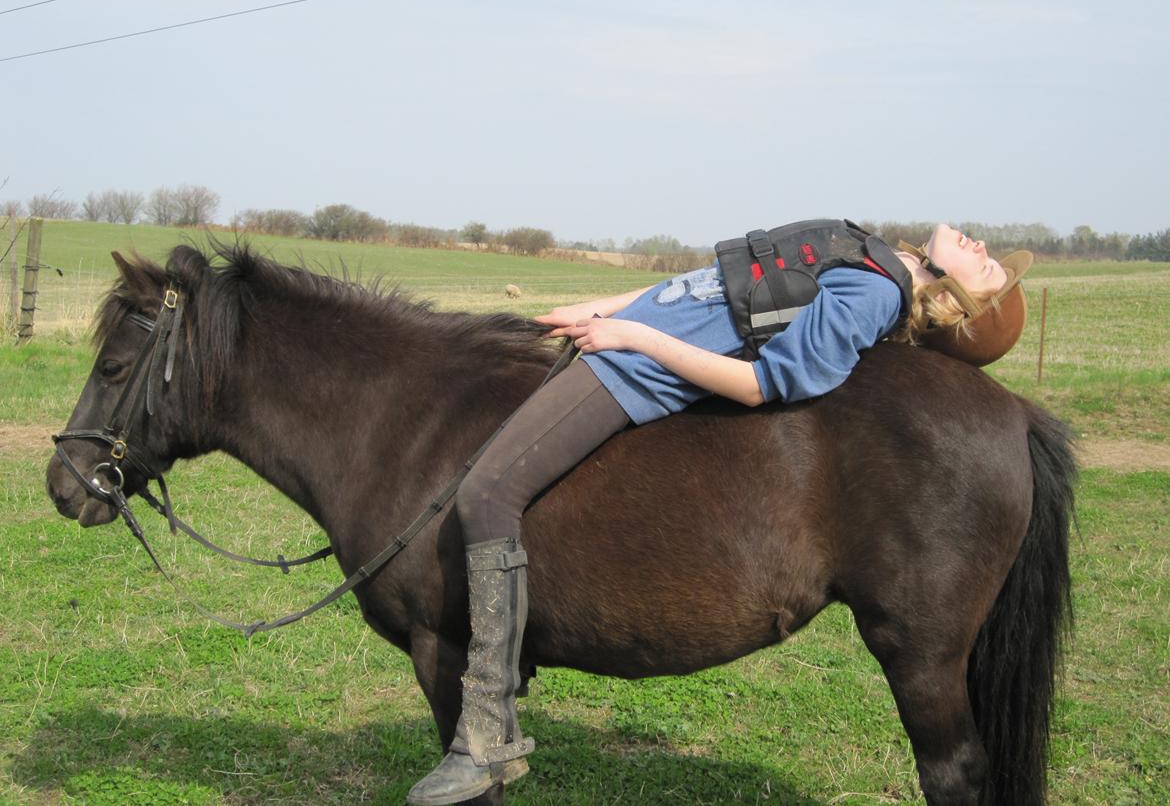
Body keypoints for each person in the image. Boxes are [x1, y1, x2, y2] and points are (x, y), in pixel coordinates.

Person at [405, 221, 1033, 806]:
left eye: (990, 271)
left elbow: (764, 383)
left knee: (485, 494)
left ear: (957, 304)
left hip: (633, 370)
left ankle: (484, 728)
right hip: (620, 339)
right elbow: (706, 288)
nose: (985, 249)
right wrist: (602, 307)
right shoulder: (869, 252)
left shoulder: (873, 295)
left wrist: (630, 335)